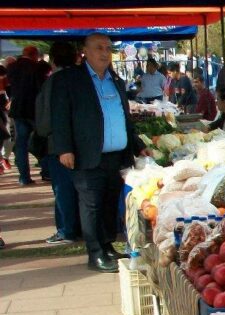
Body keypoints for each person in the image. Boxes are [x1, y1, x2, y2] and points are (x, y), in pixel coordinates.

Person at [51, 33, 148, 273]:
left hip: (116, 156)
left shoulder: (115, 80)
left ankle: (107, 246)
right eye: (98, 48)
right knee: (91, 205)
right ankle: (95, 254)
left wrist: (137, 145)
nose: (104, 53)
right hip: (87, 155)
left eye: (108, 48)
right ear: (85, 51)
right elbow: (59, 117)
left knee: (108, 203)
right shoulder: (69, 79)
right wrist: (64, 148)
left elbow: (123, 118)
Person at [36, 41, 80, 245]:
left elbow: (44, 120)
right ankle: (78, 227)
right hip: (84, 144)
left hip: (58, 146)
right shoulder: (83, 78)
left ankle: (66, 229)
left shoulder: (53, 82)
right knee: (82, 189)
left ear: (53, 60)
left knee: (63, 189)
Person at [7, 45, 47, 185]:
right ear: (34, 55)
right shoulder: (37, 68)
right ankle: (46, 170)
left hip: (18, 109)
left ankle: (24, 177)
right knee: (42, 140)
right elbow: (41, 89)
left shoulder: (12, 67)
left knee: (21, 144)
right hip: (33, 110)